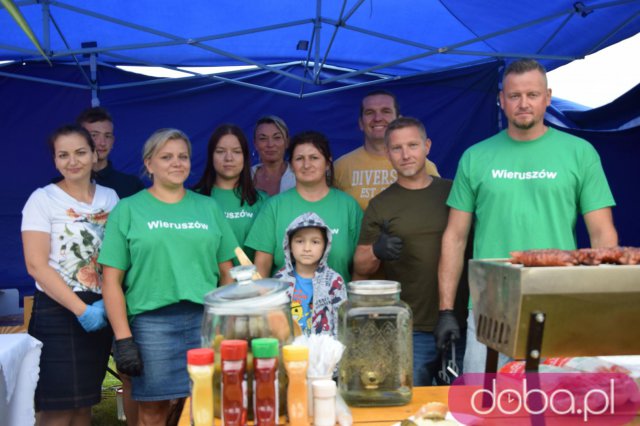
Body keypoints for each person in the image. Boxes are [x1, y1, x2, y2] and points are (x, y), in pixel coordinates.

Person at [435, 59, 618, 374]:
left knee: (559, 405)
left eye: (532, 95)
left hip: (559, 299)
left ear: (547, 97)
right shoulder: (475, 157)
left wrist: (597, 301)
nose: (523, 103)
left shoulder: (580, 153)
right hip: (490, 306)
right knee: (482, 406)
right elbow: (455, 236)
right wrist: (446, 310)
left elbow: (602, 234)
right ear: (500, 99)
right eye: (514, 95)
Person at [98, 128, 238, 425]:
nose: (177, 163)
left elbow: (228, 273)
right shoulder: (128, 209)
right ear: (149, 164)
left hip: (205, 322)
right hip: (151, 325)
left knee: (205, 409)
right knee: (154, 411)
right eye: (167, 157)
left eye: (183, 157)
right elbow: (110, 281)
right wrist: (123, 339)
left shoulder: (208, 207)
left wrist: (222, 321)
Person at [353, 117, 468, 386]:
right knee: (410, 406)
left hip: (459, 321)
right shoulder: (380, 204)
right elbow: (360, 265)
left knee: (465, 410)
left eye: (413, 145)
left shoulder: (454, 193)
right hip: (409, 328)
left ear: (427, 146)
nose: (406, 155)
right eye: (397, 148)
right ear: (388, 153)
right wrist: (377, 251)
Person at [22, 124, 118, 425]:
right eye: (63, 155)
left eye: (79, 152)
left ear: (94, 154)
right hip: (58, 311)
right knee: (56, 409)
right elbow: (36, 265)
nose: (72, 161)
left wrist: (105, 304)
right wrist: (81, 310)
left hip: (101, 308)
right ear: (55, 160)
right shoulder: (42, 199)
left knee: (84, 405)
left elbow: (120, 255)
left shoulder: (110, 197)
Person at [245, 130, 363, 283]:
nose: (306, 165)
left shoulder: (349, 206)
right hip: (284, 305)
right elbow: (262, 267)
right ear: (292, 166)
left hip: (338, 304)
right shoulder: (274, 206)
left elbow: (361, 268)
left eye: (314, 158)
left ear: (327, 163)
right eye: (299, 159)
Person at [334, 90, 440, 210]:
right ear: (361, 123)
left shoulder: (422, 166)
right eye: (369, 112)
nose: (378, 118)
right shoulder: (340, 167)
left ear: (399, 121)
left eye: (386, 111)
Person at [193, 123, 268, 261]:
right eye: (220, 151)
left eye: (236, 151)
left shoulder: (263, 201)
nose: (229, 158)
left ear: (245, 157)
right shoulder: (193, 199)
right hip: (208, 282)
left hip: (253, 281)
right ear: (211, 156)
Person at [274, 212, 347, 337]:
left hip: (323, 353)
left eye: (315, 242)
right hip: (289, 350)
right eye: (300, 241)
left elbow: (342, 324)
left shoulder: (335, 281)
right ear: (289, 245)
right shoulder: (279, 280)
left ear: (325, 246)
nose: (307, 248)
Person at [76, 107, 145, 198]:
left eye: (107, 136)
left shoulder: (131, 185)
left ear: (113, 141)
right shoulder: (61, 185)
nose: (102, 143)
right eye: (94, 135)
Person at [251, 115, 296, 195]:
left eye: (277, 137)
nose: (270, 144)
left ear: (287, 142)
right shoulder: (246, 177)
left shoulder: (299, 176)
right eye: (263, 138)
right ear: (255, 144)